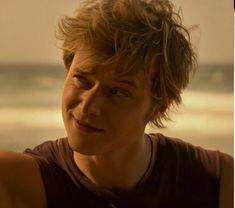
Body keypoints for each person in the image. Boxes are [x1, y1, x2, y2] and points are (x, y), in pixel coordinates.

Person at [0, 0, 233, 207]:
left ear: (160, 105)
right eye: (82, 79)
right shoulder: (17, 182)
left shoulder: (218, 181)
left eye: (117, 91)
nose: (88, 106)